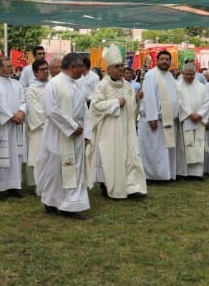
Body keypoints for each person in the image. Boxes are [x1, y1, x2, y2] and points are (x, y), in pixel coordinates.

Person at [87, 45, 146, 199]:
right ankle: (108, 185)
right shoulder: (102, 86)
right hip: (109, 130)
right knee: (110, 156)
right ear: (109, 69)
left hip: (126, 128)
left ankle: (131, 186)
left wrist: (136, 99)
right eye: (117, 66)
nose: (121, 69)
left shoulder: (126, 85)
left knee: (128, 155)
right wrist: (114, 103)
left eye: (122, 66)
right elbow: (95, 105)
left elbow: (130, 105)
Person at [36, 52, 90, 219]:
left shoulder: (77, 84)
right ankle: (51, 201)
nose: (83, 69)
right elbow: (51, 110)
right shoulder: (54, 85)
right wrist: (72, 126)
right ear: (72, 66)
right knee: (55, 170)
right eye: (81, 66)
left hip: (77, 134)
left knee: (74, 169)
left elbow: (84, 110)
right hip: (58, 134)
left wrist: (86, 131)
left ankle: (70, 205)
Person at [138, 50, 179, 182]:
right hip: (154, 120)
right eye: (162, 59)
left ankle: (165, 174)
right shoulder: (151, 75)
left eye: (167, 59)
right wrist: (152, 118)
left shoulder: (170, 76)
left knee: (164, 150)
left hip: (166, 120)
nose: (165, 61)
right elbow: (149, 97)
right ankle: (152, 176)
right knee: (154, 149)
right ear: (157, 60)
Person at [0, 57, 27, 198]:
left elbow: (24, 99)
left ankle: (15, 185)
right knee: (0, 155)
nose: (12, 68)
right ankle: (0, 187)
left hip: (15, 125)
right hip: (1, 126)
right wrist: (11, 116)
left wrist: (21, 112)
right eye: (8, 66)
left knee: (15, 155)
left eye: (11, 66)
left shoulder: (17, 84)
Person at [175, 62, 209, 180]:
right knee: (186, 145)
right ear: (182, 73)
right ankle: (186, 172)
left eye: (191, 74)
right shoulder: (178, 86)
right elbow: (179, 102)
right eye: (187, 74)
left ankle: (197, 173)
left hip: (199, 120)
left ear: (195, 74)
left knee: (198, 144)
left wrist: (200, 114)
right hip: (186, 120)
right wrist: (190, 114)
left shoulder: (202, 86)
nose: (189, 77)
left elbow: (207, 102)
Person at [24, 57, 49, 191]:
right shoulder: (31, 90)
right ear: (35, 73)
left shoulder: (53, 86)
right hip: (39, 128)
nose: (45, 72)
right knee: (38, 157)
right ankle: (39, 186)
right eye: (42, 70)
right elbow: (34, 110)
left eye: (47, 69)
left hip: (53, 128)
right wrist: (50, 119)